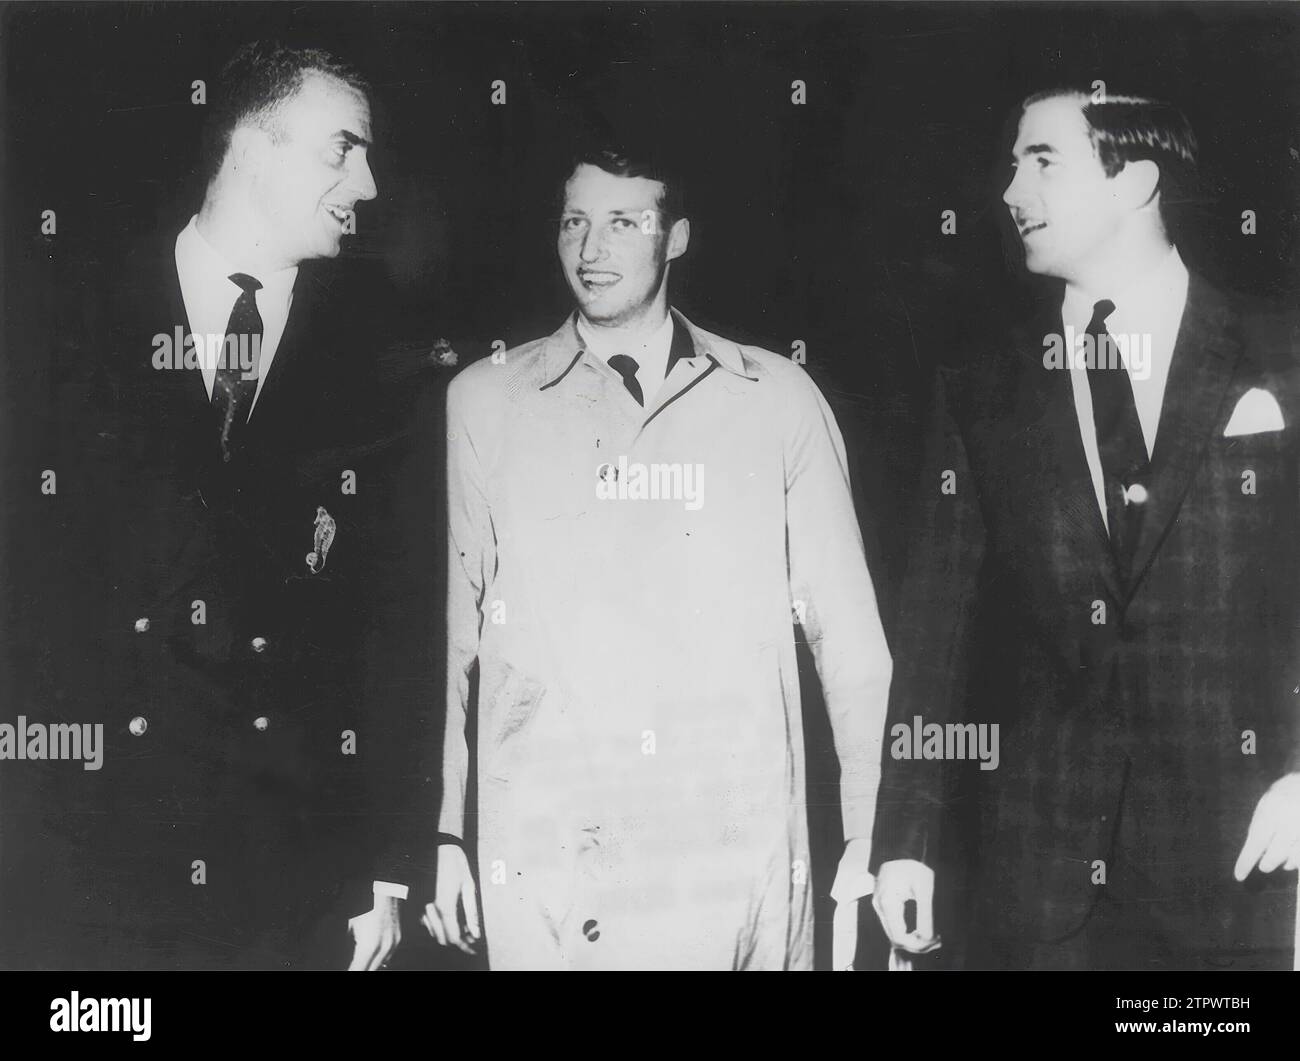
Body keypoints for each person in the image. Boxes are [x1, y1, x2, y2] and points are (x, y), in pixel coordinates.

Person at [20, 40, 438, 970]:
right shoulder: (67, 312)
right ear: (253, 142)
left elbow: (398, 628)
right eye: (344, 148)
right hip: (90, 846)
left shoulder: (384, 357)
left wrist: (386, 866)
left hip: (285, 865)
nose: (367, 183)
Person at [428, 144, 893, 969]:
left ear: (674, 237)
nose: (590, 249)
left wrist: (871, 838)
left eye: (622, 223)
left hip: (726, 859)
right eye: (575, 222)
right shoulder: (484, 401)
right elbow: (448, 644)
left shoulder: (775, 398)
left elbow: (851, 644)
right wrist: (439, 834)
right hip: (548, 861)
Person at [872, 88, 1300, 970]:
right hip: (1043, 884)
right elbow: (935, 630)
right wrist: (905, 833)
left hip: (1246, 860)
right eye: (1013, 161)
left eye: (1043, 160)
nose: (1009, 189)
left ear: (1135, 180)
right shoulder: (982, 385)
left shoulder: (1278, 354)